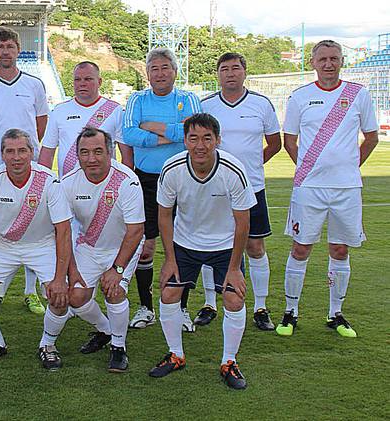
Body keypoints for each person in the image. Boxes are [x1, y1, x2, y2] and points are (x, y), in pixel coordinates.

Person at [276, 40, 379, 338]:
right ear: (313, 62)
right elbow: (289, 141)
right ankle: (290, 312)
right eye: (322, 59)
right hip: (309, 188)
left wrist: (349, 166)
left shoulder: (358, 94)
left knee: (340, 249)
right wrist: (308, 168)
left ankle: (336, 313)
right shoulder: (300, 97)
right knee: (300, 247)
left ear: (342, 61)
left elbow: (371, 137)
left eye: (334, 58)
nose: (328, 64)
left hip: (346, 188)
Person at [148, 113, 256, 390]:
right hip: (185, 244)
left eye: (207, 138)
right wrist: (169, 259)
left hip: (225, 246)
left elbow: (243, 222)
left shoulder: (234, 170)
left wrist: (234, 268)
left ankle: (229, 361)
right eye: (193, 138)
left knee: (234, 299)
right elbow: (164, 216)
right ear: (185, 141)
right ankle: (176, 354)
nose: (200, 145)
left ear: (218, 140)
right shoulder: (172, 169)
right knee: (169, 293)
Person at [38, 127, 145, 372]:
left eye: (98, 151)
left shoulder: (127, 180)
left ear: (109, 152)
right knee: (76, 297)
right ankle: (106, 330)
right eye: (84, 152)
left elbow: (136, 230)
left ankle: (118, 347)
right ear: (77, 155)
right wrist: (71, 270)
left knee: (114, 291)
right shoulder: (68, 183)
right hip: (88, 245)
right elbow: (62, 230)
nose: (91, 158)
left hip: (123, 246)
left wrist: (117, 269)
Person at [0, 129, 72, 365]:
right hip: (3, 245)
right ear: (2, 154)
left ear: (32, 152)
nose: (16, 157)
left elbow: (64, 230)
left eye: (22, 150)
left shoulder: (49, 181)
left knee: (59, 297)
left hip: (42, 244)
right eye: (10, 151)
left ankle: (48, 344)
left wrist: (59, 278)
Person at [196, 52, 282, 330]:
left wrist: (248, 168)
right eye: (224, 69)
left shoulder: (261, 103)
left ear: (245, 72)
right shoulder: (206, 105)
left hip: (251, 188)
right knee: (210, 245)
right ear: (218, 74)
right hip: (213, 188)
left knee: (255, 247)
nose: (230, 73)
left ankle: (260, 307)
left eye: (235, 68)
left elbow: (274, 143)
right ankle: (209, 303)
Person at [122, 47, 201, 332]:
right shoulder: (137, 99)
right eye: (154, 68)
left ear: (175, 71)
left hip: (182, 178)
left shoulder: (188, 98)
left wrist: (152, 127)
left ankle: (181, 309)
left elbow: (194, 132)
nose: (160, 73)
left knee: (181, 246)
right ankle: (146, 308)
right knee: (145, 246)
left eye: (165, 67)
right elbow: (129, 134)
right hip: (146, 180)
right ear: (147, 73)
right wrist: (172, 134)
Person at [0, 25, 49, 314]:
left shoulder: (34, 84)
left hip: (29, 168)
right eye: (0, 47)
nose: (5, 52)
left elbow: (40, 125)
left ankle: (31, 292)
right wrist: (4, 155)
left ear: (18, 50)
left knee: (34, 228)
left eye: (10, 46)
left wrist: (24, 154)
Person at [39, 61, 128, 176]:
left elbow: (126, 155)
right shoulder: (59, 111)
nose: (82, 84)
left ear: (99, 82)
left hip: (104, 184)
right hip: (68, 183)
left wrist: (122, 181)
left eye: (88, 79)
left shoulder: (115, 110)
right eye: (77, 79)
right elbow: (47, 152)